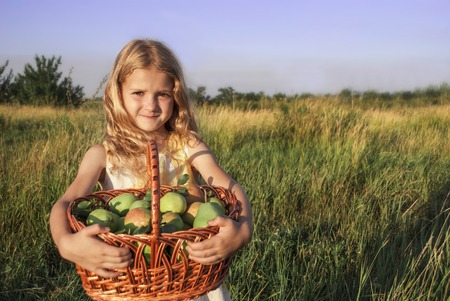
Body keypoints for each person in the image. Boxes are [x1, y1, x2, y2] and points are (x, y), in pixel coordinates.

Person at [49, 39, 252, 301]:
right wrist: (65, 243)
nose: (151, 104)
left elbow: (230, 188)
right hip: (130, 281)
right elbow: (64, 203)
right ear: (118, 93)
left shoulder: (188, 146)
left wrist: (244, 231)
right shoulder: (102, 155)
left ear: (175, 96)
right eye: (138, 93)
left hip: (185, 278)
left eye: (163, 94)